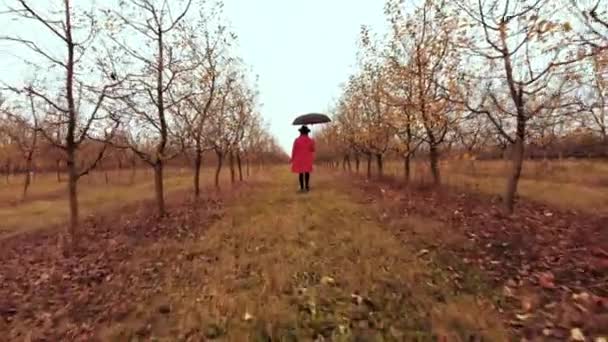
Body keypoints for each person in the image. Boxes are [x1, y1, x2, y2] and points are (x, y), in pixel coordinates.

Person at [290, 125, 315, 192]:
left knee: (301, 173)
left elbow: (294, 150)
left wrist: (292, 158)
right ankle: (306, 187)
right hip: (307, 159)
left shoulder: (297, 140)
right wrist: (313, 142)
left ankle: (301, 187)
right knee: (307, 172)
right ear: (307, 132)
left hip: (299, 159)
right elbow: (313, 149)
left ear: (300, 132)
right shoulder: (311, 140)